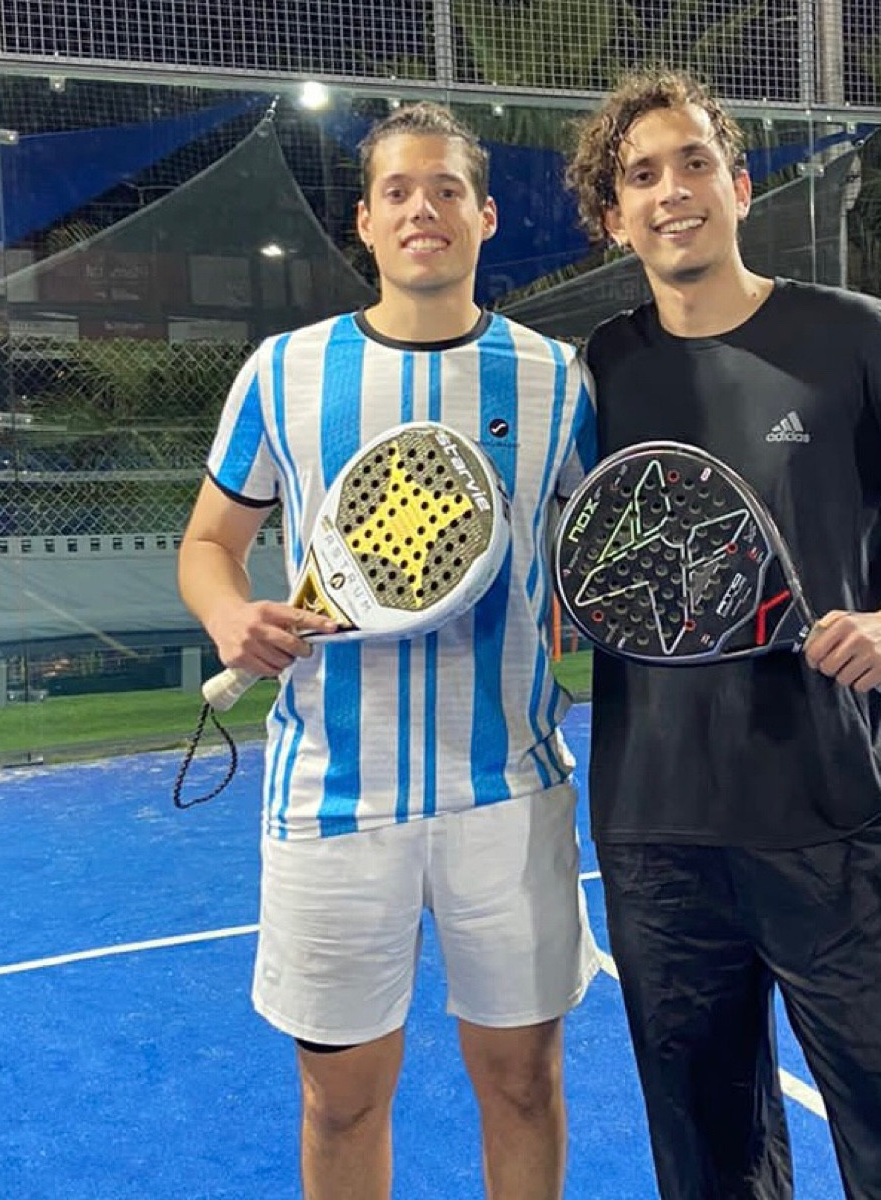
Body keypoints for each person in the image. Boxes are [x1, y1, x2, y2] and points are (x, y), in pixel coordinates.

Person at [565, 69, 881, 1200]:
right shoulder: (596, 372)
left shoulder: (851, 335)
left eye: (694, 162)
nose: (672, 190)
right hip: (658, 837)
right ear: (613, 218)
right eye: (641, 176)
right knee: (708, 1169)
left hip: (837, 815)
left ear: (738, 185)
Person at [177, 102, 599, 1200]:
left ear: (485, 217)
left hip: (510, 792)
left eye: (448, 189)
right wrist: (229, 617)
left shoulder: (559, 379)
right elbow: (210, 545)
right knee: (341, 1100)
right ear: (364, 222)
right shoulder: (283, 371)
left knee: (523, 1083)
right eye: (398, 192)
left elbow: (596, 546)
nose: (424, 210)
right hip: (331, 798)